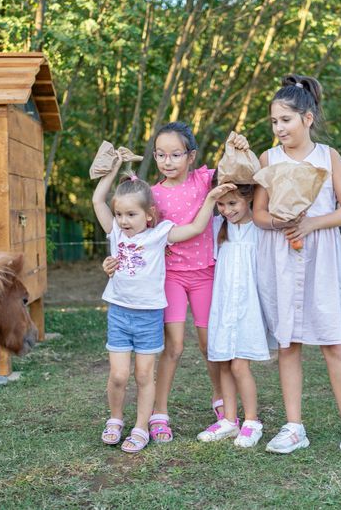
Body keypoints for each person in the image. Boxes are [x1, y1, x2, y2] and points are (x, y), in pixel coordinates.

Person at [252, 74, 341, 464]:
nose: (279, 129)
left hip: (321, 257)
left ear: (307, 118)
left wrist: (310, 222)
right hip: (281, 257)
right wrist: (281, 221)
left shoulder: (329, 157)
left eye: (285, 121)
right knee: (288, 344)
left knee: (334, 343)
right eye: (274, 122)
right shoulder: (268, 159)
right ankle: (294, 427)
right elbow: (257, 214)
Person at [92, 157, 234, 453]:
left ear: (149, 215)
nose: (123, 220)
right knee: (118, 375)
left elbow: (195, 228)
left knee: (144, 375)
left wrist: (210, 199)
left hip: (148, 317)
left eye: (131, 214)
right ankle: (115, 419)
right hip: (118, 313)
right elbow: (97, 200)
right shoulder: (115, 233)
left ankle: (142, 427)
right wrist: (114, 170)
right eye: (119, 214)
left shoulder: (159, 234)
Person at [147, 122, 248, 442]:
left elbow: (241, 174)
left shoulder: (206, 180)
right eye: (161, 155)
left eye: (175, 154)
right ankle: (158, 411)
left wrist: (239, 148)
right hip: (171, 276)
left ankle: (221, 400)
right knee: (174, 346)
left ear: (190, 156)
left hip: (206, 274)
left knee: (210, 345)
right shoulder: (152, 194)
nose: (168, 161)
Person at [196, 184, 273, 448]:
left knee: (240, 365)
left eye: (233, 204)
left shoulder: (260, 230)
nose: (227, 210)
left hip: (248, 307)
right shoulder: (218, 228)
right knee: (224, 363)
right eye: (222, 204)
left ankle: (252, 421)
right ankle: (229, 420)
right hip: (224, 305)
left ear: (249, 198)